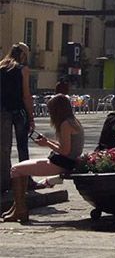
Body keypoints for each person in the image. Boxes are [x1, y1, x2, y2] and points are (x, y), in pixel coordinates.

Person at [3, 94, 84, 222]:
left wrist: (46, 144)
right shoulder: (73, 121)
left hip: (61, 163)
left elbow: (65, 151)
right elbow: (65, 147)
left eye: (51, 110)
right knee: (21, 168)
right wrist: (47, 141)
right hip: (66, 161)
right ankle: (18, 207)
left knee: (15, 170)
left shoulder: (65, 124)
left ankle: (20, 209)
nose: (49, 113)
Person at [0, 43, 34, 194]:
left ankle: (4, 181)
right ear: (22, 55)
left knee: (4, 148)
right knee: (22, 146)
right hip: (19, 111)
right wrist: (31, 116)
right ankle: (26, 180)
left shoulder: (1, 67)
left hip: (3, 111)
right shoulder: (23, 70)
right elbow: (26, 95)